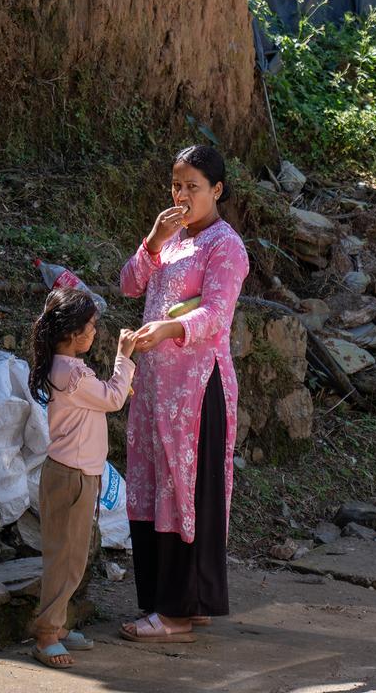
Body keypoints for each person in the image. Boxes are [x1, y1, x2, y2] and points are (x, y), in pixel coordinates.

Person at [120, 144, 249, 643]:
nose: (182, 195)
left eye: (193, 186)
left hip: (197, 390)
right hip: (155, 388)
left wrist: (167, 332)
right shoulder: (170, 239)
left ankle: (174, 613)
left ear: (217, 190)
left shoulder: (226, 246)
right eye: (176, 185)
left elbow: (216, 314)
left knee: (187, 490)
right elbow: (131, 285)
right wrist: (153, 240)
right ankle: (180, 603)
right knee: (156, 485)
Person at [28, 287, 137, 669]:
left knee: (74, 555)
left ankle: (57, 626)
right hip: (71, 476)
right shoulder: (72, 372)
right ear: (73, 333)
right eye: (91, 326)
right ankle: (45, 635)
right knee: (66, 558)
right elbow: (112, 399)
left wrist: (115, 386)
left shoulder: (66, 369)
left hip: (77, 474)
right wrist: (124, 357)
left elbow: (103, 398)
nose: (95, 332)